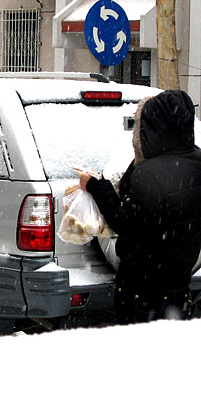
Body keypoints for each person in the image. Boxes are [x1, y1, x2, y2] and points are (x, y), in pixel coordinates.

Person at [79, 89, 201, 324]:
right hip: (179, 282)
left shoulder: (150, 175)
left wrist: (95, 186)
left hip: (142, 290)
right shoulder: (196, 161)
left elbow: (123, 222)